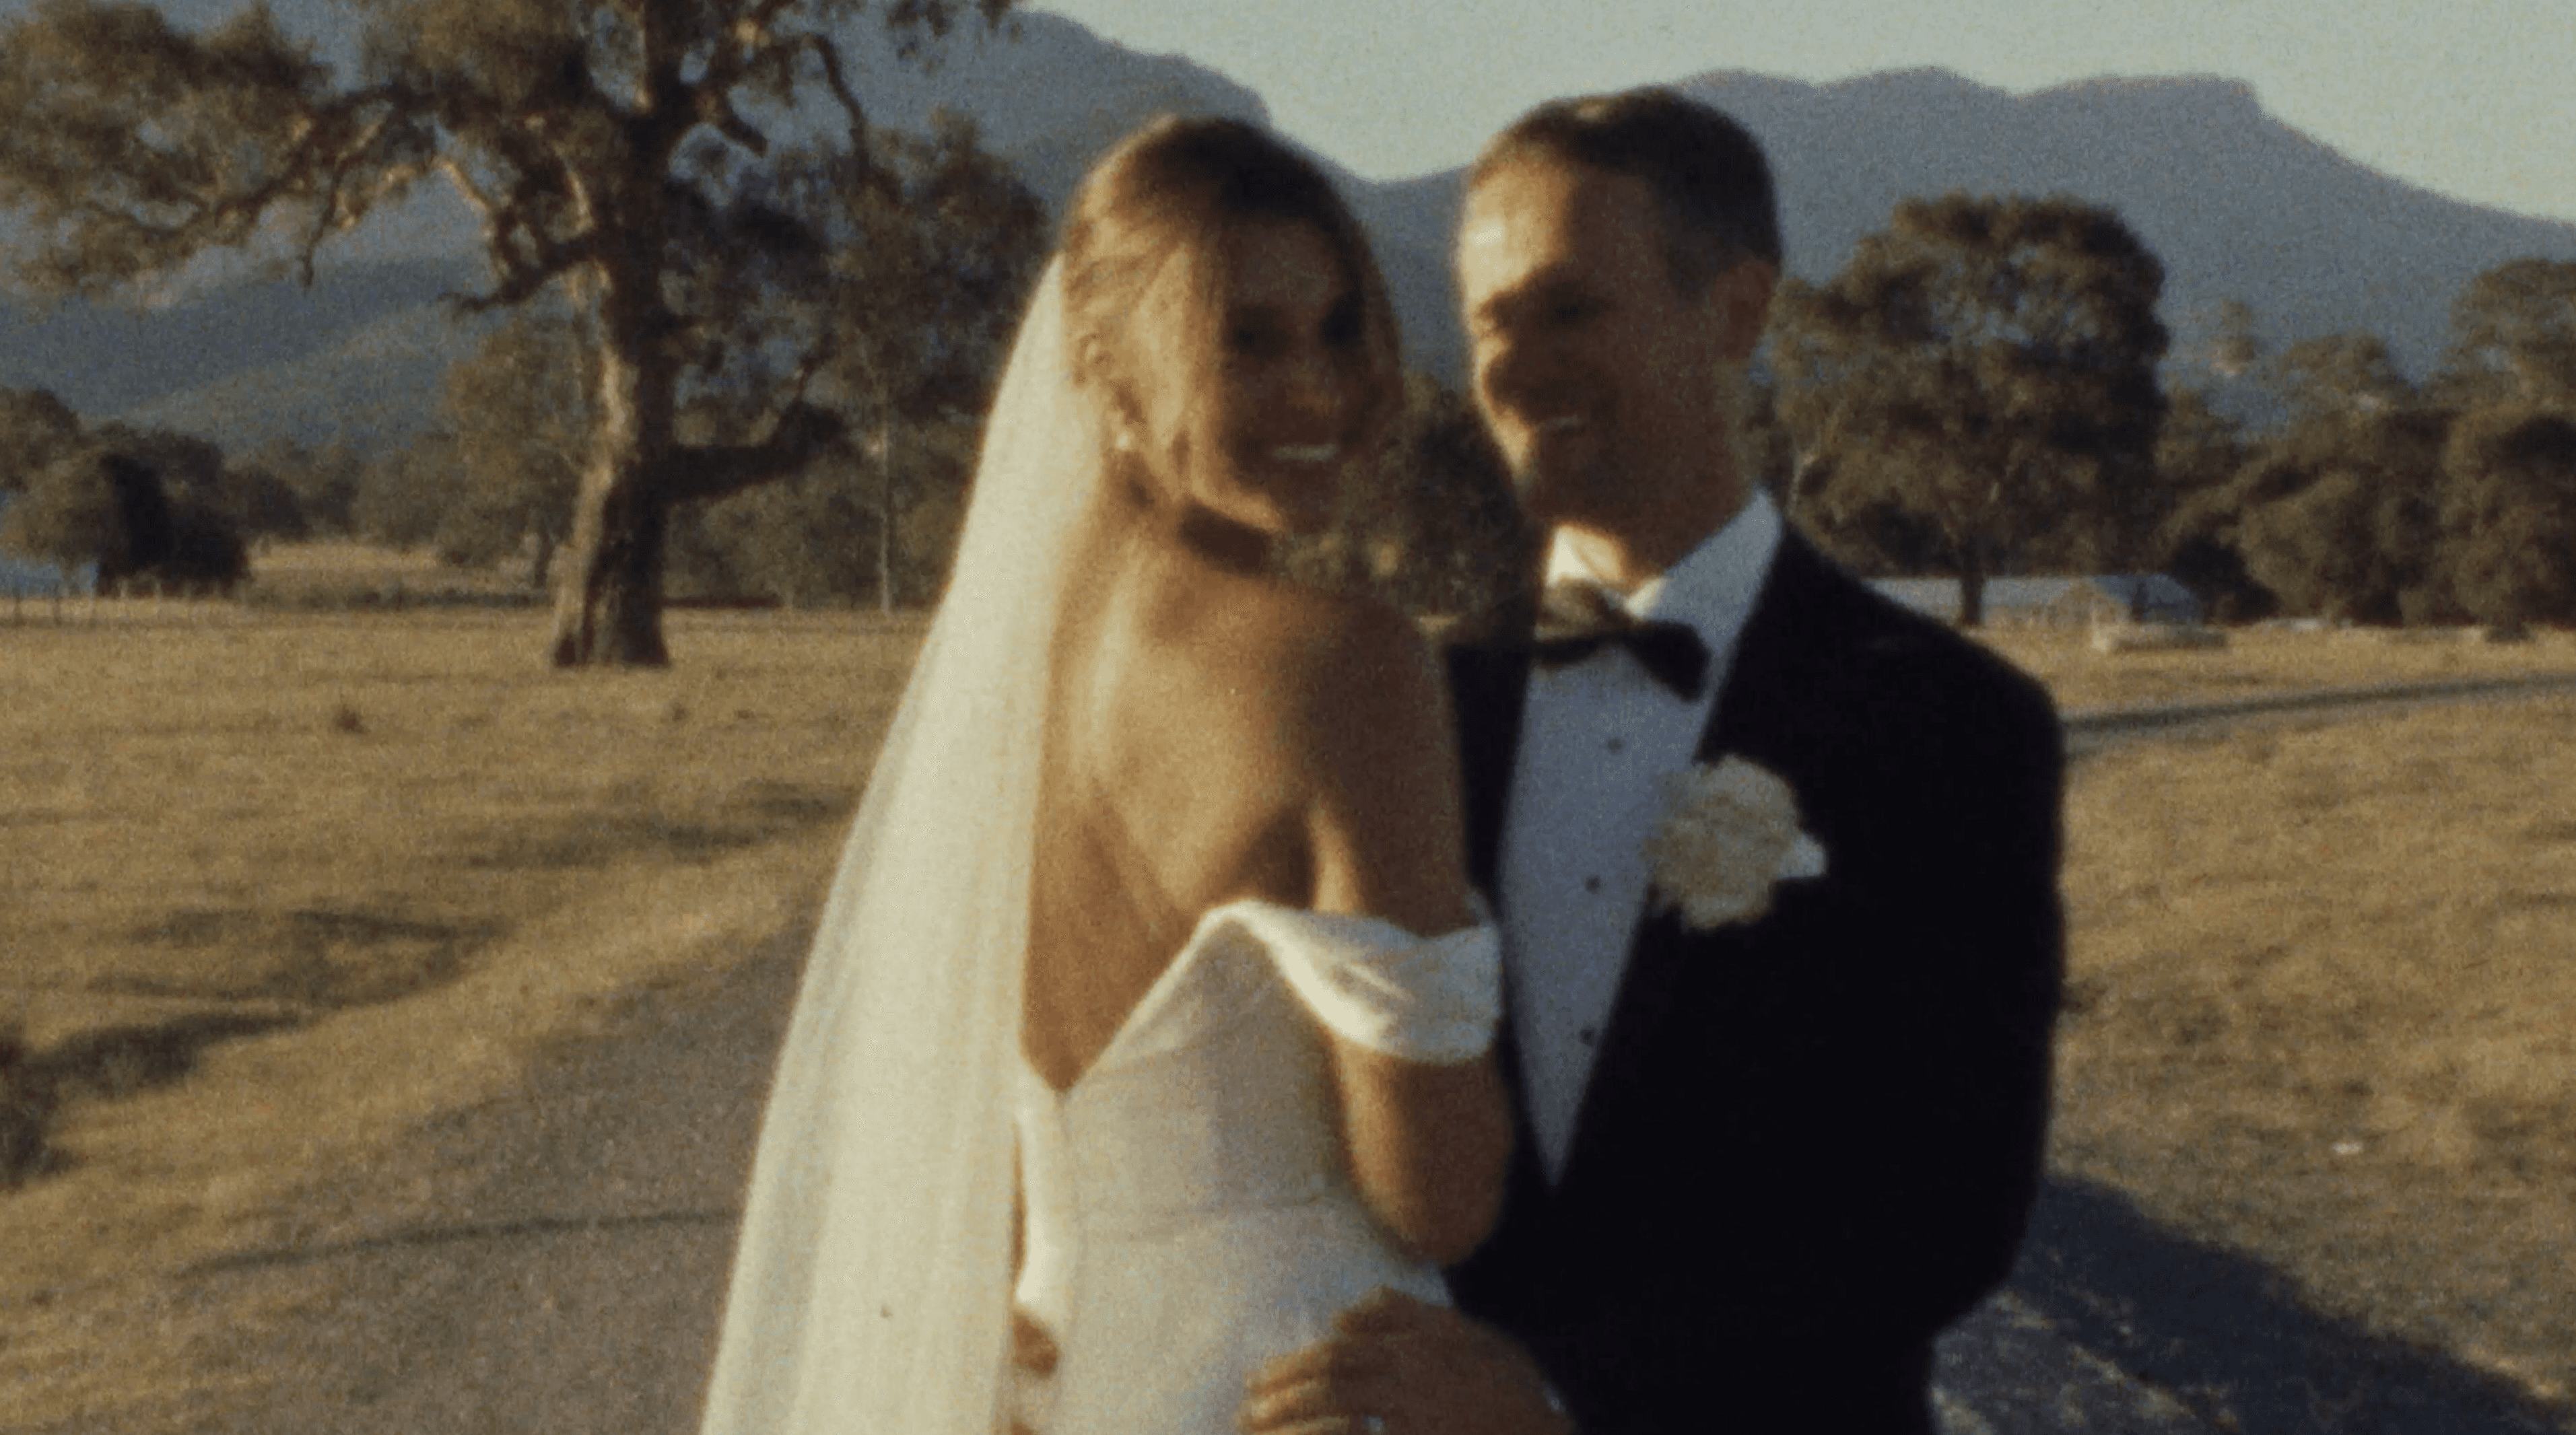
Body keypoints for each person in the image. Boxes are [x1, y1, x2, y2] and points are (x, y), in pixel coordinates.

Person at [1241, 90, 2066, 1435]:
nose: (1513, 369)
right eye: (1489, 321)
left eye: (1568, 310)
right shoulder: (1412, 711)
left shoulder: (1948, 721)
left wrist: (1567, 1395)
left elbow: (1945, 1207)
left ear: (1733, 311)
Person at [693, 116, 1514, 1435]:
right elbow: (1435, 1194)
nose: (1319, 389)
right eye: (1247, 343)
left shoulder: (999, 671)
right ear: (1106, 376)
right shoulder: (1341, 664)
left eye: (1335, 329)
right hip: (1305, 1376)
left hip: (1055, 1378)